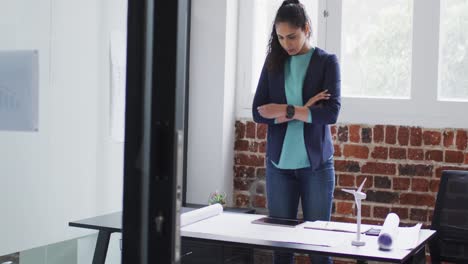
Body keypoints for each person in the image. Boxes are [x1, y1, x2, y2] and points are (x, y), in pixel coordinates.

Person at [252, 0, 341, 263]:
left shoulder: (326, 62)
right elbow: (258, 111)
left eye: (292, 36)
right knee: (281, 250)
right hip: (279, 166)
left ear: (307, 28)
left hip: (316, 167)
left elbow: (330, 113)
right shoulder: (274, 62)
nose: (286, 44)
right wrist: (303, 109)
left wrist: (284, 110)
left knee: (318, 249)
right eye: (280, 37)